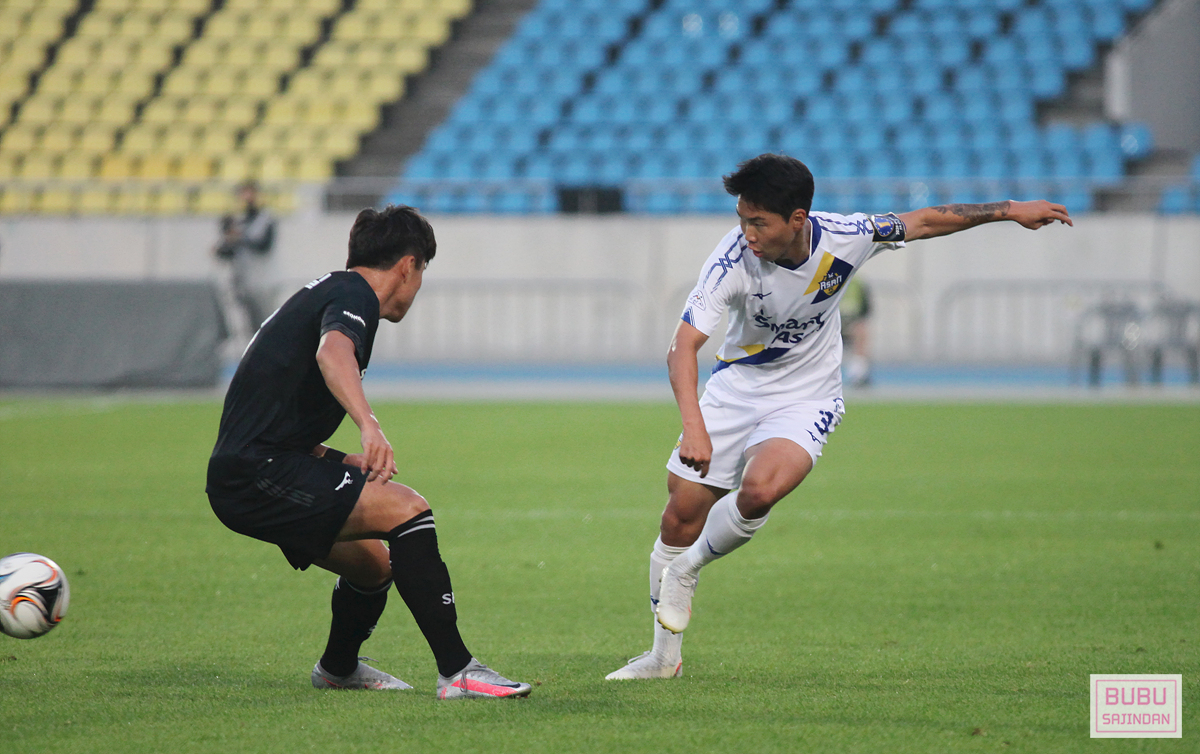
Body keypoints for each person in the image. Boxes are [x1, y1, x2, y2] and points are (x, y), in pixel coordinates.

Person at [606, 153, 1072, 680]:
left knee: (761, 490)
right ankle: (663, 660)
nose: (747, 233)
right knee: (679, 516)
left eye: (758, 222)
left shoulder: (847, 236)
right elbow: (682, 348)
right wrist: (694, 426)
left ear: (797, 219)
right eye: (741, 219)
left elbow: (922, 221)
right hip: (735, 389)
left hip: (808, 395)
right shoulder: (731, 261)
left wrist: (1010, 210)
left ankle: (687, 571)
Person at [207, 205, 531, 699]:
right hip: (257, 474)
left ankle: (337, 669)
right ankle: (458, 671)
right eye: (422, 271)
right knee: (408, 510)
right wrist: (369, 425)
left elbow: (277, 421)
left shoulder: (329, 292)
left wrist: (341, 460)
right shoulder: (353, 294)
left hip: (253, 469)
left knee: (373, 567)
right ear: (408, 265)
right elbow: (331, 352)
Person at [215, 180, 277, 331]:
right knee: (243, 324)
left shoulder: (265, 219)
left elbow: (263, 246)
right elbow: (225, 251)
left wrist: (240, 237)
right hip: (241, 281)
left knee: (266, 322)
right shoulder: (236, 220)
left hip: (262, 281)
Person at [839, 278, 872, 387]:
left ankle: (858, 373)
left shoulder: (857, 282)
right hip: (831, 324)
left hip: (850, 324)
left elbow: (866, 309)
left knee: (861, 330)